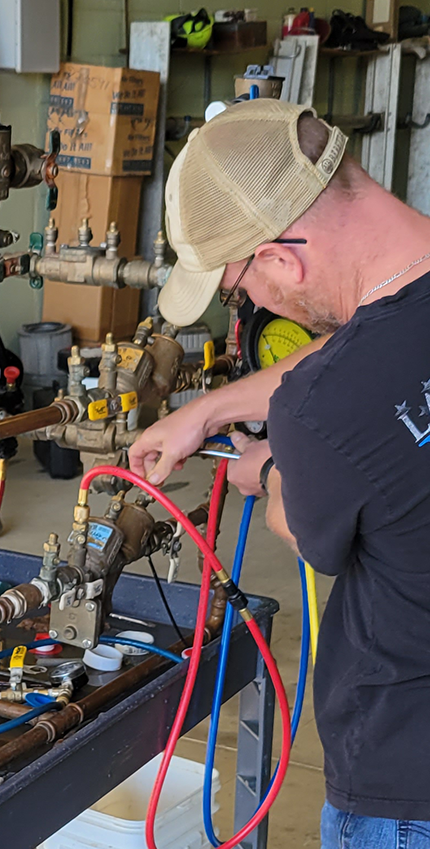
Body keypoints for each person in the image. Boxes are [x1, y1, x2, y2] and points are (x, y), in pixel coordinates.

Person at [128, 100, 430, 848]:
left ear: (279, 261)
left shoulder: (321, 413)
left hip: (406, 781)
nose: (253, 306)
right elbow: (364, 350)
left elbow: (300, 529)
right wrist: (210, 410)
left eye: (240, 293)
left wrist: (275, 468)